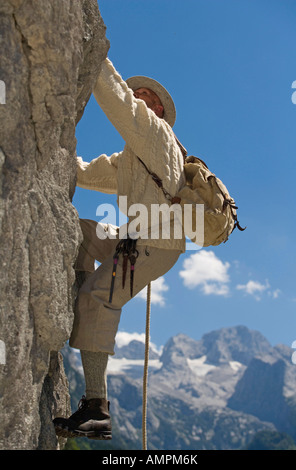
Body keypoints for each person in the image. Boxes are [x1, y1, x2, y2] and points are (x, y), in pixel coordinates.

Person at [53, 57, 186, 440]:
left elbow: (116, 99)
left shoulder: (155, 132)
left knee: (98, 300)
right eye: (135, 92)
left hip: (152, 242)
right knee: (79, 230)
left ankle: (96, 408)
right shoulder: (136, 155)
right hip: (136, 239)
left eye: (143, 95)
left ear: (158, 108)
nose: (135, 97)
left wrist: (94, 57)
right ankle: (81, 295)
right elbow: (90, 172)